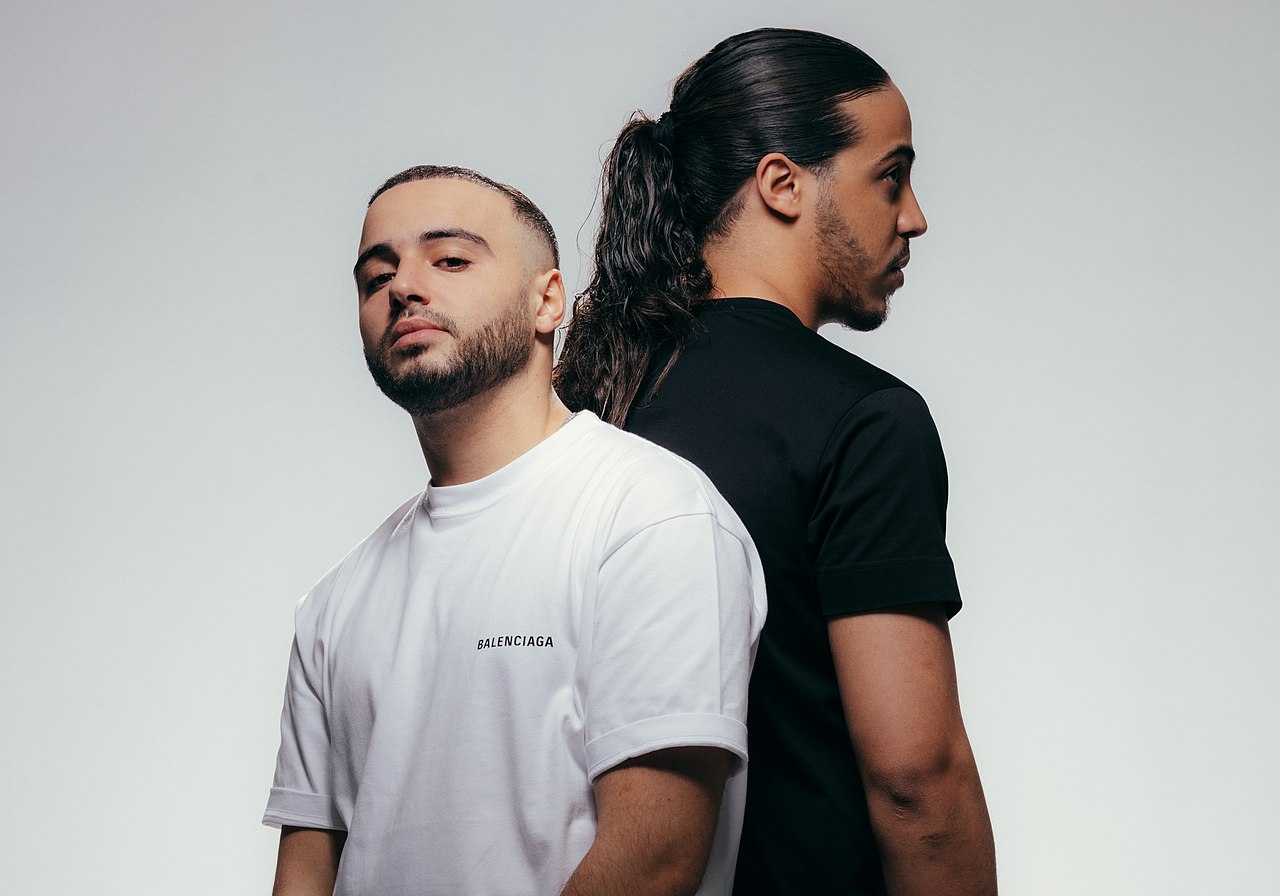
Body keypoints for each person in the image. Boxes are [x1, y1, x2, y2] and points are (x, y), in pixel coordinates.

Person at [555, 28, 996, 896]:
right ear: (783, 184)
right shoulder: (865, 422)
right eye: (892, 175)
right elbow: (916, 782)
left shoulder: (584, 401)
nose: (914, 215)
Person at [263, 165, 766, 896]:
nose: (403, 287)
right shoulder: (333, 604)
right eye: (377, 277)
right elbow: (306, 873)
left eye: (450, 260)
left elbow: (655, 860)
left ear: (547, 301)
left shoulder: (651, 514)